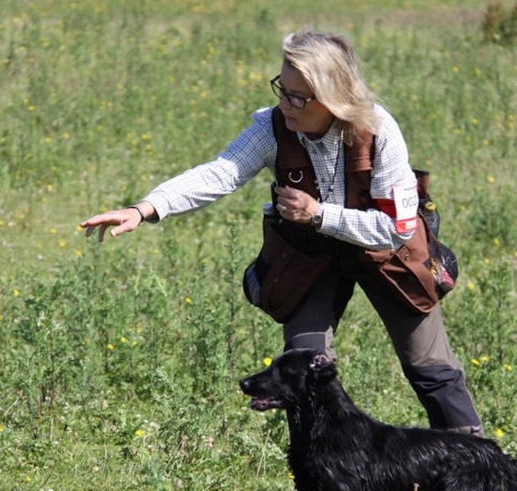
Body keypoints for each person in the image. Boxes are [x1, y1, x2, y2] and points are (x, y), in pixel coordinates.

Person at [81, 29, 483, 436]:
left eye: (298, 96)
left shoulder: (379, 131)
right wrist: (145, 208)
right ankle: (323, 486)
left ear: (332, 97)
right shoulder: (272, 127)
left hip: (387, 252)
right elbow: (221, 172)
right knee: (304, 366)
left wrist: (319, 214)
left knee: (431, 368)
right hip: (309, 257)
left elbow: (396, 229)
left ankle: (479, 472)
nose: (284, 103)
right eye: (281, 89)